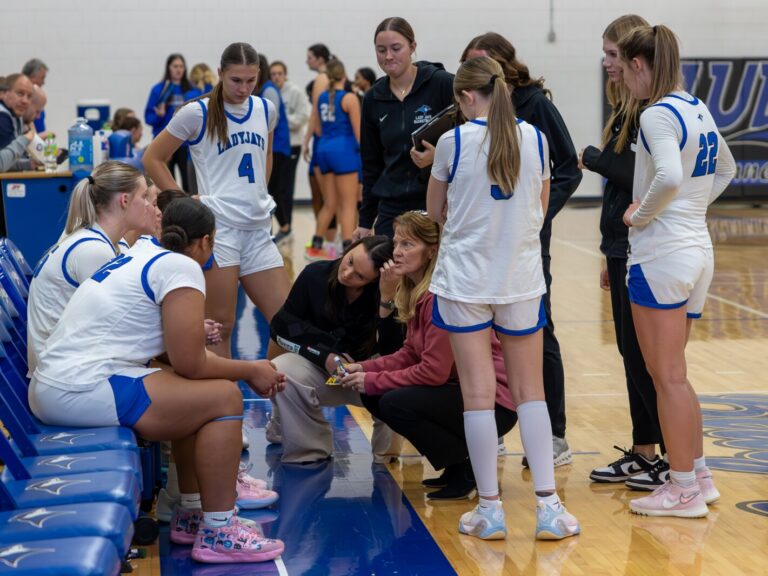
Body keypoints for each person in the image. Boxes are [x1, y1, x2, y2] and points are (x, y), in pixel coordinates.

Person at [29, 198, 286, 564]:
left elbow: (174, 359)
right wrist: (252, 370)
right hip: (79, 386)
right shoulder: (183, 266)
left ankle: (193, 514)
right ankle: (219, 531)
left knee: (195, 395)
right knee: (225, 398)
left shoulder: (144, 251)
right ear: (206, 242)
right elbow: (191, 363)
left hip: (60, 382)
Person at [427, 56, 580, 541]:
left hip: (466, 280)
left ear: (465, 96)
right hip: (519, 277)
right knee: (530, 391)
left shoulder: (451, 142)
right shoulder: (534, 138)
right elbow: (540, 208)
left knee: (477, 394)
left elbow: (434, 212)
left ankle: (490, 511)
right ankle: (549, 508)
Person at [618, 24, 735, 518]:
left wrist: (639, 216)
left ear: (638, 65)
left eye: (623, 68)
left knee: (665, 378)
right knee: (676, 377)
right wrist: (689, 209)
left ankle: (682, 489)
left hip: (663, 254)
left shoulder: (656, 114)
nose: (621, 79)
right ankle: (699, 476)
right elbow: (726, 169)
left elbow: (668, 176)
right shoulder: (696, 106)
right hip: (697, 250)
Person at [461, 32, 582, 466]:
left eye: (482, 62)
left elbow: (568, 168)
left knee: (537, 334)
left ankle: (555, 435)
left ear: (504, 65)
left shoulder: (535, 107)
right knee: (483, 340)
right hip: (480, 247)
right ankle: (493, 428)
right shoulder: (467, 113)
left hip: (525, 243)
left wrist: (537, 216)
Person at [340, 212, 518, 500]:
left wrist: (373, 379)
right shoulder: (417, 289)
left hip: (493, 405)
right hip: (461, 391)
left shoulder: (439, 296)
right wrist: (365, 368)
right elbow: (410, 353)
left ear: (432, 251)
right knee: (375, 395)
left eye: (408, 244)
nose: (397, 252)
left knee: (395, 402)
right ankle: (458, 465)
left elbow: (433, 372)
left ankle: (468, 468)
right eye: (397, 243)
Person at [144, 42, 291, 362]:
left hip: (257, 228)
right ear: (221, 73)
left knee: (289, 322)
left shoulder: (266, 108)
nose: (243, 88)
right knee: (220, 326)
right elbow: (153, 157)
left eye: (251, 80)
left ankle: (272, 384)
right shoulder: (196, 112)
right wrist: (182, 203)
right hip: (217, 230)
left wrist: (258, 192)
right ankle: (224, 393)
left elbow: (266, 152)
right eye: (236, 80)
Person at [578, 14, 667, 488]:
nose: (606, 63)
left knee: (648, 358)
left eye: (613, 54)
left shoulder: (653, 113)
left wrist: (593, 158)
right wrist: (606, 251)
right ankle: (645, 450)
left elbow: (640, 177)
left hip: (643, 246)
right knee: (631, 354)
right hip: (620, 245)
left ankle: (671, 456)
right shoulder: (627, 106)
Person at [267, 236, 402, 464]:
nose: (347, 273)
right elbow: (281, 326)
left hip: (367, 375)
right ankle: (309, 449)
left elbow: (394, 350)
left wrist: (387, 300)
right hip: (323, 370)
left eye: (360, 276)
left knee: (398, 383)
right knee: (281, 370)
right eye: (349, 261)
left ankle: (386, 456)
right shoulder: (315, 275)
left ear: (375, 280)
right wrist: (326, 355)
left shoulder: (392, 295)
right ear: (349, 249)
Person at [26, 161, 157, 374]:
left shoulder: (109, 240)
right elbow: (120, 324)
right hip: (61, 373)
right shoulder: (94, 250)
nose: (150, 206)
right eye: (144, 197)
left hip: (72, 360)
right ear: (124, 200)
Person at [355, 16, 454, 240]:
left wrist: (439, 158)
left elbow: (471, 138)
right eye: (381, 50)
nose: (388, 56)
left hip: (435, 203)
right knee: (389, 262)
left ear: (413, 47)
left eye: (396, 48)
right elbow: (371, 164)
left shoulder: (442, 84)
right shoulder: (373, 98)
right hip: (392, 207)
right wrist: (365, 221)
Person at [305, 59, 361, 259]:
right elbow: (359, 133)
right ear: (344, 76)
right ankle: (347, 249)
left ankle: (315, 246)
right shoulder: (349, 98)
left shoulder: (321, 97)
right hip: (343, 151)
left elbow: (317, 126)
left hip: (323, 149)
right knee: (348, 204)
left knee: (330, 203)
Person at [270, 60, 310, 243]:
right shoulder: (271, 92)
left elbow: (303, 116)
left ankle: (288, 227)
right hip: (277, 145)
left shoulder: (294, 92)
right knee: (275, 188)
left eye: (279, 73)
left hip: (292, 143)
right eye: (273, 74)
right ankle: (284, 225)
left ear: (285, 75)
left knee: (285, 188)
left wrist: (284, 120)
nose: (276, 77)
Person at [256, 54, 293, 247]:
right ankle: (281, 228)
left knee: (273, 190)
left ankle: (284, 228)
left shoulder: (269, 90)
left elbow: (272, 120)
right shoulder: (262, 89)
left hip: (277, 147)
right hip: (271, 147)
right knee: (271, 190)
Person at [144, 53, 192, 190]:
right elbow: (148, 118)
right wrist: (159, 115)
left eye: (181, 66)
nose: (178, 69)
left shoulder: (191, 90)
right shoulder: (159, 90)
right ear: (168, 68)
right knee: (166, 185)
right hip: (164, 141)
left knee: (188, 182)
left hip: (185, 143)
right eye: (175, 66)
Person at [0, 73, 35, 174]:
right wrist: (25, 139)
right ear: (3, 94)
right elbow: (2, 164)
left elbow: (7, 160)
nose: (25, 101)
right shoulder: (2, 117)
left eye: (29, 96)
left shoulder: (15, 113)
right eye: (20, 94)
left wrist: (30, 164)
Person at [21, 58, 48, 132]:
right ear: (32, 77)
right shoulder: (21, 103)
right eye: (42, 78)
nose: (43, 82)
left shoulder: (38, 97)